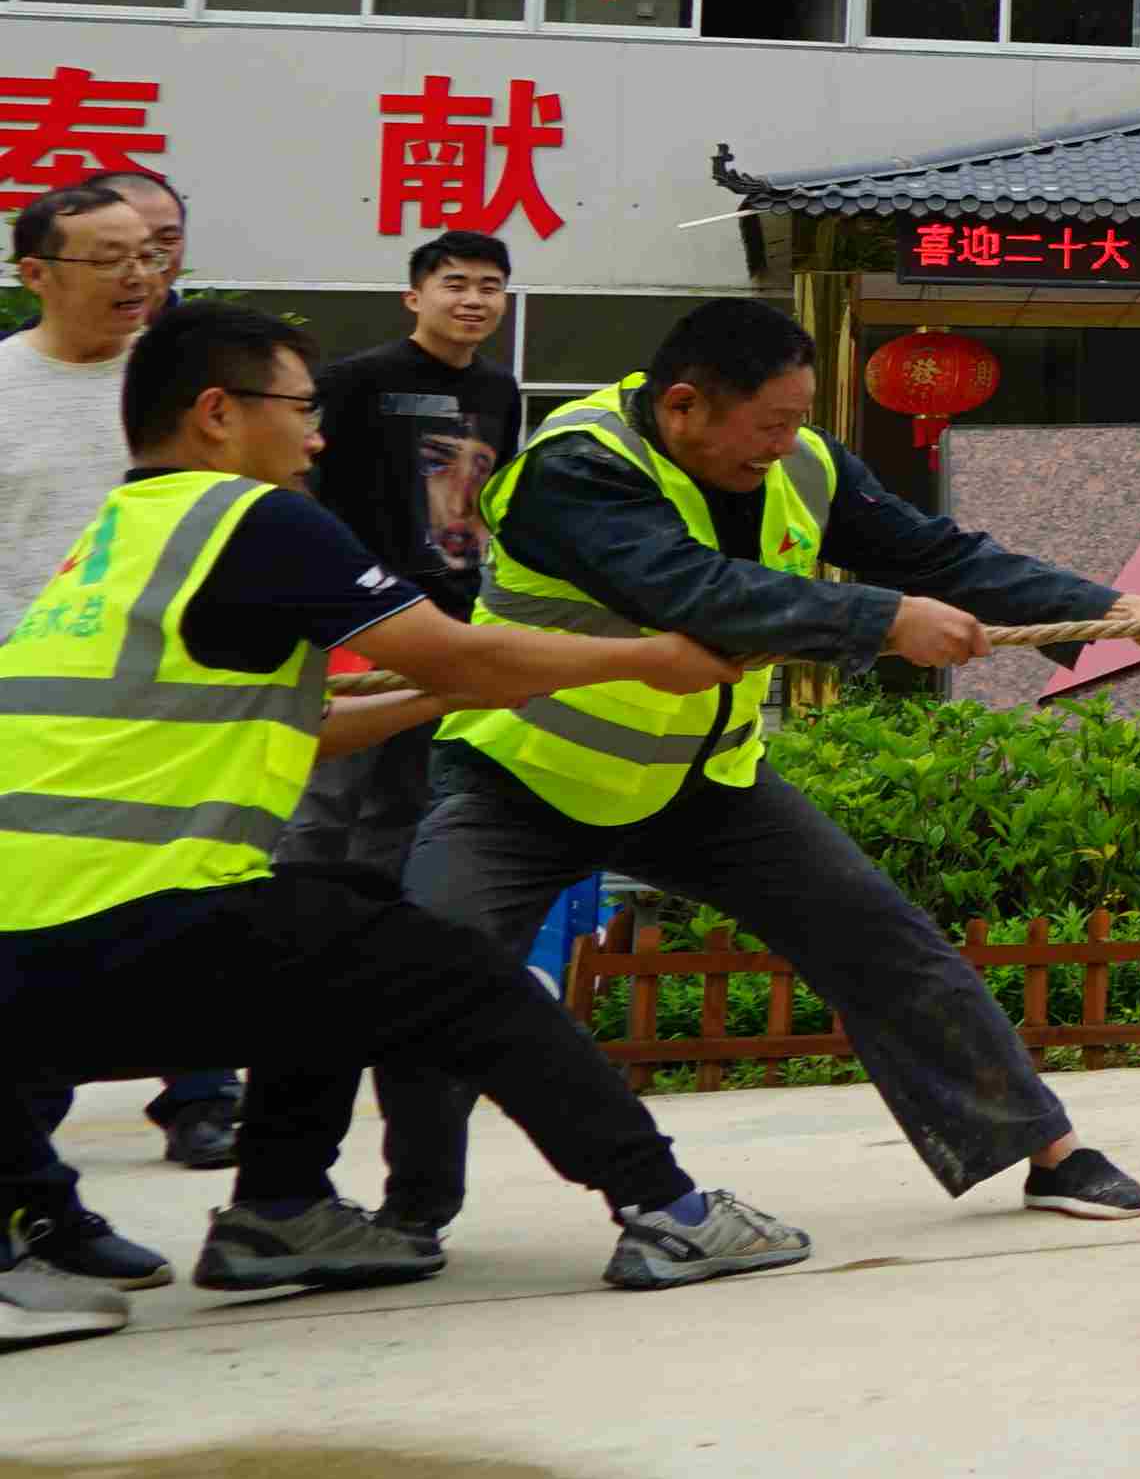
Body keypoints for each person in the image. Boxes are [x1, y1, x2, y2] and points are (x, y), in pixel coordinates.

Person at [2, 302, 816, 1349]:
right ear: (217, 413)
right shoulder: (256, 520)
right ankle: (673, 1209)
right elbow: (459, 649)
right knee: (461, 970)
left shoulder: (118, 539)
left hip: (35, 953)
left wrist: (455, 694)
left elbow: (308, 726)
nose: (317, 436)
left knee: (341, 910)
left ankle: (278, 1210)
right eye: (301, 408)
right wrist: (650, 658)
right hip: (113, 933)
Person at [374, 298, 1140, 1232]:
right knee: (440, 969)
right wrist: (882, 619)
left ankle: (1049, 1152)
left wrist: (1112, 611)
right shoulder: (575, 469)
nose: (786, 445)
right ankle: (413, 1213)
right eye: (770, 424)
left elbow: (936, 555)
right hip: (523, 777)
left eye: (798, 420)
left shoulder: (807, 463)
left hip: (702, 782)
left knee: (881, 938)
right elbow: (692, 592)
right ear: (683, 407)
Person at [231, 226, 530, 1220]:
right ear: (415, 295)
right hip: (355, 616)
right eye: (455, 284)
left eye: (489, 287)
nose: (473, 301)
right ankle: (305, 943)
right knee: (327, 805)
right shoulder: (356, 381)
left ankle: (373, 946)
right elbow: (305, 484)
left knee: (405, 801)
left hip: (449, 613)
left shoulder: (501, 392)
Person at [2, 175, 211, 1289]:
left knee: (132, 962)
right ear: (35, 273)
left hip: (169, 728)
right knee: (30, 973)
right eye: (110, 258)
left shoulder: (184, 392)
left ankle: (52, 1199)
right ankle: (40, 1209)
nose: (139, 277)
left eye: (152, 254)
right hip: (25, 736)